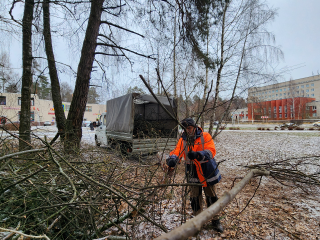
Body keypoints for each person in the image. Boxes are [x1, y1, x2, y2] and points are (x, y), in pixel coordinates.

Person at [165, 117, 223, 232]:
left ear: (195, 127)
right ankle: (198, 221)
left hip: (207, 171)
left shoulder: (205, 136)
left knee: (211, 197)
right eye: (185, 129)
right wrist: (172, 159)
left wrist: (198, 155)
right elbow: (177, 151)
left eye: (190, 128)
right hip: (192, 172)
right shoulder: (183, 140)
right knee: (195, 198)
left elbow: (211, 150)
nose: (188, 131)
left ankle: (215, 221)